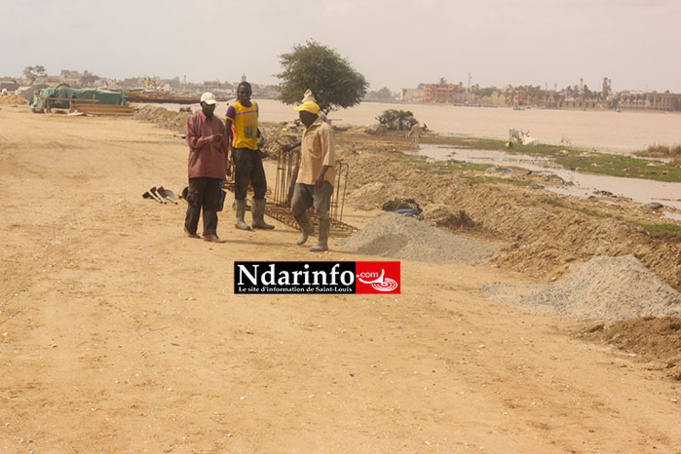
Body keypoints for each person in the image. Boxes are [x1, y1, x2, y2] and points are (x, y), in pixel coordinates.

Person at [225, 81, 274, 230]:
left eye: (247, 92)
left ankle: (258, 220)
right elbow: (226, 131)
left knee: (260, 185)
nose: (245, 95)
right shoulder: (233, 109)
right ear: (237, 93)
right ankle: (240, 220)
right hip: (240, 150)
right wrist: (229, 153)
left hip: (253, 149)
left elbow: (253, 124)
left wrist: (259, 136)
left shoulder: (255, 106)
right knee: (241, 185)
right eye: (242, 92)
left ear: (251, 92)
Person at [289, 99, 336, 252]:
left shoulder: (324, 129)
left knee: (321, 211)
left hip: (320, 178)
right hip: (304, 175)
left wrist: (321, 174)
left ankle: (323, 242)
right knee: (296, 206)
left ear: (310, 114)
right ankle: (307, 229)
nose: (300, 117)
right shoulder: (307, 128)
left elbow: (329, 153)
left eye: (302, 114)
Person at [184, 92, 229, 243]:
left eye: (213, 105)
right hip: (198, 166)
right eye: (208, 105)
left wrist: (225, 165)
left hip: (214, 168)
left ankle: (210, 232)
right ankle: (190, 228)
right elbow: (192, 142)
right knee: (195, 199)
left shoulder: (219, 123)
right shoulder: (193, 121)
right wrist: (210, 139)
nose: (211, 108)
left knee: (212, 201)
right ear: (202, 104)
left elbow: (224, 147)